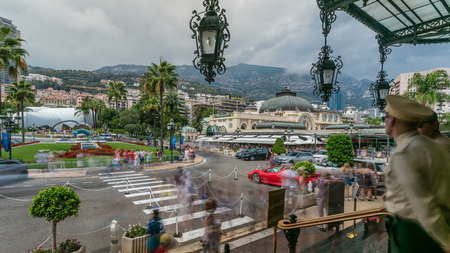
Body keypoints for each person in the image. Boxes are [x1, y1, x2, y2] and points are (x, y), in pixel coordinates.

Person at [383, 95, 450, 253]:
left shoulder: (404, 153)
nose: (384, 121)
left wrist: (446, 240)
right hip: (436, 224)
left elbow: (423, 202)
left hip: (414, 231)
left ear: (392, 120)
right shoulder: (432, 145)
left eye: (385, 117)